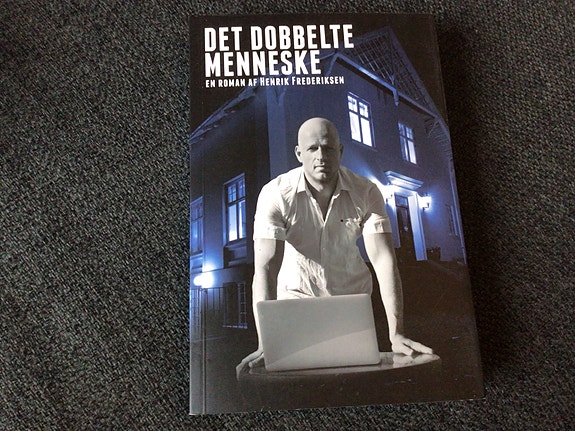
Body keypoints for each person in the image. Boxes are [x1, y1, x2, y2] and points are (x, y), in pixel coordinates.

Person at [238, 117, 432, 373]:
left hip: (350, 304)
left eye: (328, 148)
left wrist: (396, 334)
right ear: (299, 153)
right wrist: (266, 342)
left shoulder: (367, 191)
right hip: (296, 302)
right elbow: (266, 267)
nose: (321, 156)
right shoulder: (275, 194)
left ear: (339, 151)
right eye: (312, 148)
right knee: (301, 382)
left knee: (357, 379)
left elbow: (384, 261)